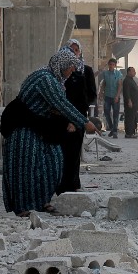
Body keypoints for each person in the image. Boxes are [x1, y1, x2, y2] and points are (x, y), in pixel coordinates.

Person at [2, 49, 99, 216]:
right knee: (27, 168)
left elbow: (56, 107)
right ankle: (24, 207)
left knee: (53, 162)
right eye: (70, 67)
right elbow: (62, 104)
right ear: (62, 65)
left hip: (40, 127)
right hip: (24, 127)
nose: (72, 71)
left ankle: (42, 202)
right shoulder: (45, 79)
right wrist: (84, 122)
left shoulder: (54, 79)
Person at [56, 39, 97, 194]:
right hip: (61, 118)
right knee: (61, 152)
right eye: (70, 50)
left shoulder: (85, 71)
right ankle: (60, 185)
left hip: (78, 116)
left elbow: (89, 96)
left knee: (74, 152)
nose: (74, 53)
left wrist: (77, 119)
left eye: (76, 50)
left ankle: (73, 184)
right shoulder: (59, 72)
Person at [99, 58, 123, 138]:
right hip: (107, 96)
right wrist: (100, 93)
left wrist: (117, 96)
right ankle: (112, 128)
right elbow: (104, 84)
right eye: (110, 64)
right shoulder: (105, 73)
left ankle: (114, 131)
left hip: (115, 96)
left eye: (113, 65)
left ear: (115, 65)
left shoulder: (118, 74)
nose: (111, 66)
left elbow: (120, 85)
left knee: (115, 114)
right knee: (106, 112)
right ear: (108, 65)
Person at [122, 66, 138, 139]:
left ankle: (132, 132)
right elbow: (127, 92)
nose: (134, 72)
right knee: (130, 117)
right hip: (130, 103)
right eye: (133, 71)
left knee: (133, 117)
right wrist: (129, 101)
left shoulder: (131, 80)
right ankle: (129, 133)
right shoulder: (127, 80)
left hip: (134, 103)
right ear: (129, 72)